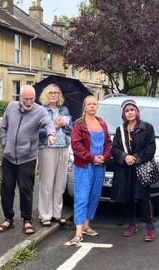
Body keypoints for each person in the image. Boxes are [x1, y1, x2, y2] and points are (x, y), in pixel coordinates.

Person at [0, 85, 56, 235]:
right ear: (19, 98)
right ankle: (8, 219)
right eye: (26, 99)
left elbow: (48, 123)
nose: (29, 102)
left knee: (26, 189)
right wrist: (5, 143)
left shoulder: (39, 111)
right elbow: (2, 128)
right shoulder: (11, 107)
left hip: (27, 158)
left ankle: (27, 220)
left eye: (31, 99)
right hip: (9, 157)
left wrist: (51, 134)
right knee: (7, 189)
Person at [68, 95, 112, 246]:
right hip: (84, 166)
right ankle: (78, 232)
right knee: (82, 196)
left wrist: (104, 157)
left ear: (97, 106)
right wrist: (92, 158)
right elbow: (76, 146)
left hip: (100, 166)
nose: (92, 106)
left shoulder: (102, 123)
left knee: (94, 195)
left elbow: (108, 143)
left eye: (94, 104)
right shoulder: (78, 125)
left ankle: (87, 225)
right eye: (89, 104)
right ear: (84, 107)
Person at [111, 99, 156, 242]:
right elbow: (115, 149)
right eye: (127, 110)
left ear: (137, 112)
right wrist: (124, 157)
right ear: (123, 114)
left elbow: (150, 148)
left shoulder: (147, 127)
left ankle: (150, 228)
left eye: (132, 109)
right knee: (127, 197)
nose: (130, 112)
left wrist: (135, 158)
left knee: (144, 198)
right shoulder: (120, 130)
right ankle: (131, 225)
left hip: (140, 168)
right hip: (125, 169)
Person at [37, 84, 72, 227]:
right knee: (47, 182)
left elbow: (71, 130)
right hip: (47, 147)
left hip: (63, 147)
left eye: (56, 93)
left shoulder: (64, 110)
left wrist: (65, 125)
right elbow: (37, 132)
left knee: (60, 183)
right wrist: (54, 127)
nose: (54, 95)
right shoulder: (41, 111)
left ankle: (56, 214)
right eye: (51, 93)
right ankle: (45, 215)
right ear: (46, 95)